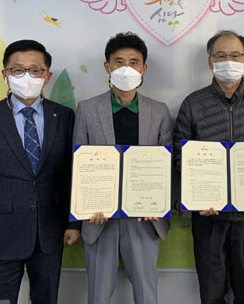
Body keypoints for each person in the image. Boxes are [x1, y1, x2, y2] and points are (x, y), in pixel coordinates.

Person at [173, 30, 244, 304]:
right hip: (208, 218)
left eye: (235, 55)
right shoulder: (193, 103)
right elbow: (180, 154)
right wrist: (197, 196)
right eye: (221, 55)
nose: (229, 61)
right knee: (211, 295)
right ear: (210, 62)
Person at [0, 39, 79, 304]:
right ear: (5, 74)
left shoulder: (64, 117)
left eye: (35, 70)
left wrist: (73, 223)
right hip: (0, 235)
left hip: (50, 233)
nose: (27, 76)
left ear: (46, 76)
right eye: (18, 70)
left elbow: (71, 176)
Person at [65, 31, 172, 304]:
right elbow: (78, 166)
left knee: (147, 294)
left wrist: (159, 204)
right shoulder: (88, 109)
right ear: (107, 66)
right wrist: (80, 214)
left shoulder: (159, 111)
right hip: (99, 218)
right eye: (119, 62)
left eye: (134, 62)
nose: (127, 68)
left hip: (144, 218)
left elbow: (166, 167)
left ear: (144, 68)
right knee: (98, 295)